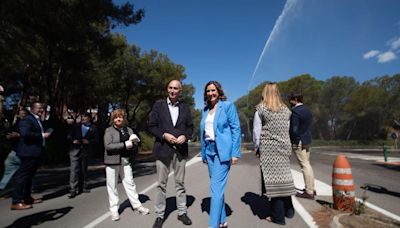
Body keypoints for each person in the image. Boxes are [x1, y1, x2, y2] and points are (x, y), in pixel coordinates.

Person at [148, 79, 193, 228]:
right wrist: (164, 135)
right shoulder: (158, 105)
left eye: (176, 88)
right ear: (167, 89)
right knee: (161, 184)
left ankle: (182, 212)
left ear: (180, 91)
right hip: (162, 149)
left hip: (180, 151)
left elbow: (190, 127)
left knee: (180, 184)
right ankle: (160, 215)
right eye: (170, 88)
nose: (173, 91)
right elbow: (152, 126)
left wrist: (185, 136)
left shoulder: (185, 107)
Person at [200, 81, 241, 228]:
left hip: (222, 152)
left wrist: (235, 153)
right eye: (208, 91)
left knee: (216, 188)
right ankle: (222, 220)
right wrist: (204, 153)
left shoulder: (228, 106)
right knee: (217, 188)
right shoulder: (205, 110)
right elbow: (204, 133)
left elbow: (236, 129)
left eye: (213, 90)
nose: (211, 93)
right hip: (209, 151)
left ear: (219, 91)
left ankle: (213, 225)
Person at [253, 83, 296, 225]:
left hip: (269, 149)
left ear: (264, 93)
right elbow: (288, 130)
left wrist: (257, 147)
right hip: (284, 147)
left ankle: (278, 217)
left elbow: (256, 132)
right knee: (284, 179)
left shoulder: (260, 109)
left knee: (274, 182)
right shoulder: (286, 110)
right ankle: (289, 211)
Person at [104, 109, 149, 221]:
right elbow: (108, 146)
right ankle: (114, 210)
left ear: (123, 118)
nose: (118, 119)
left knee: (130, 184)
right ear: (113, 119)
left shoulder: (128, 130)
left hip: (125, 161)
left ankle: (137, 206)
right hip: (112, 162)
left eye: (120, 117)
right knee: (112, 186)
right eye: (116, 117)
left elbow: (133, 146)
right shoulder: (109, 130)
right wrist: (124, 144)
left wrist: (135, 143)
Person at [11, 102, 51, 210]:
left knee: (29, 177)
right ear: (32, 109)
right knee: (22, 176)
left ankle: (27, 198)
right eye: (39, 109)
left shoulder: (37, 120)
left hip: (35, 152)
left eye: (42, 109)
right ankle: (16, 201)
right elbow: (25, 133)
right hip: (28, 152)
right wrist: (42, 135)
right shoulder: (28, 119)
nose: (41, 110)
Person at [289, 92, 315, 200]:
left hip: (298, 141)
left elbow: (293, 129)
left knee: (304, 166)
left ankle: (309, 192)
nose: (289, 102)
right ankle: (311, 188)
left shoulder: (296, 111)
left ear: (295, 99)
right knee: (307, 164)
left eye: (290, 100)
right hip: (307, 140)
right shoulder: (308, 110)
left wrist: (291, 139)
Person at [67, 112, 99, 198]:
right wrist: (73, 140)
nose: (83, 119)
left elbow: (97, 140)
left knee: (83, 169)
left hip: (86, 151)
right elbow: (69, 136)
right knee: (74, 170)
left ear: (89, 118)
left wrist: (89, 142)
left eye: (85, 117)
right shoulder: (75, 126)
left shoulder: (94, 128)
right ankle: (73, 189)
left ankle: (83, 187)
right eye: (82, 117)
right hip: (75, 150)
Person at [0, 109, 28, 191]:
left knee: (25, 173)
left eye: (25, 114)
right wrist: (8, 136)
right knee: (24, 173)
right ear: (18, 115)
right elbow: (8, 135)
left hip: (20, 152)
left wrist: (18, 135)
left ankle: (28, 192)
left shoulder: (27, 125)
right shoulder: (16, 125)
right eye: (21, 114)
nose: (23, 115)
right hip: (15, 152)